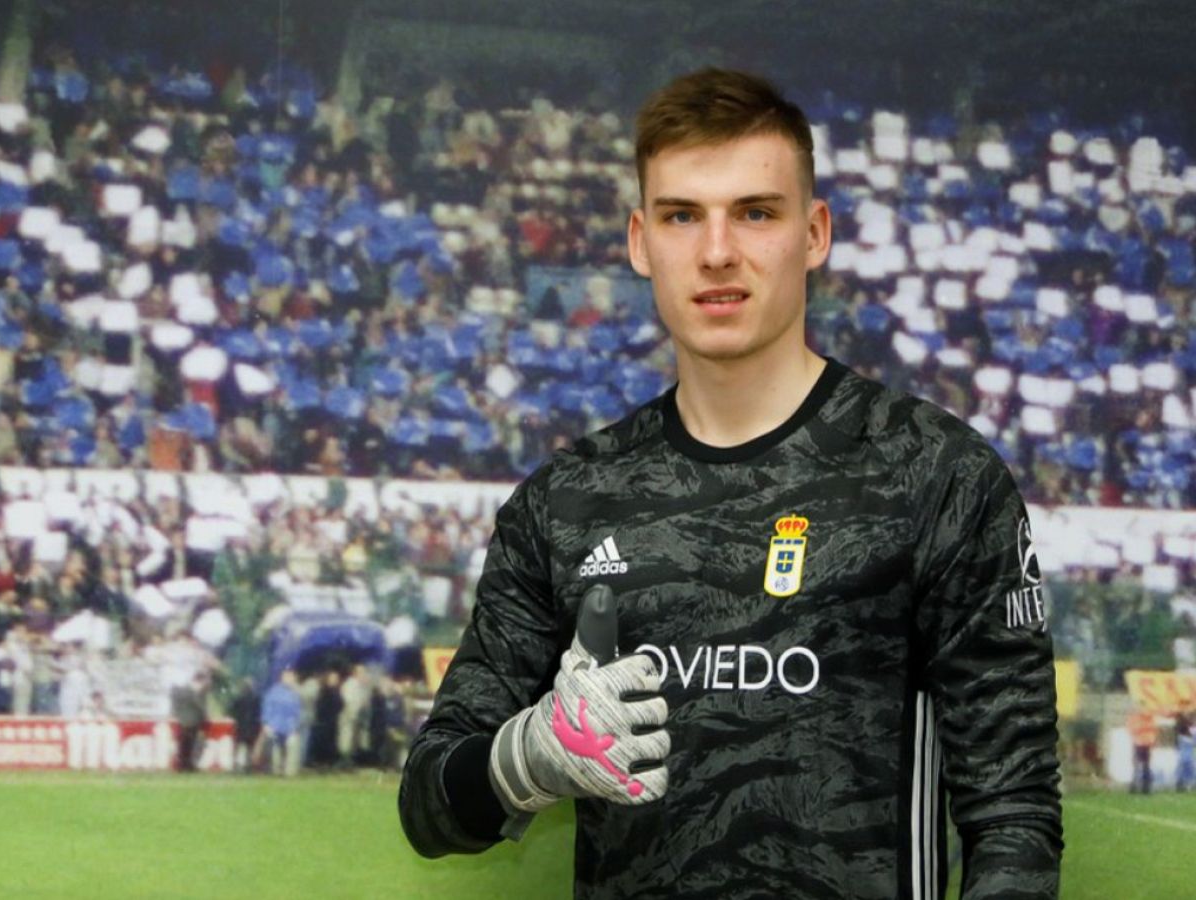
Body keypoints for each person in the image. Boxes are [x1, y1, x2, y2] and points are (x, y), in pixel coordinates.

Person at [398, 68, 1063, 899]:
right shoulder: (565, 500)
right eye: (682, 216)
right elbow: (429, 805)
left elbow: (1016, 819)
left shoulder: (938, 476)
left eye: (756, 212)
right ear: (640, 241)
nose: (717, 251)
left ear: (814, 232)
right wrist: (526, 758)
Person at [261, 670, 304, 776]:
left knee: (291, 747)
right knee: (276, 749)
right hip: (275, 726)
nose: (291, 680)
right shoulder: (274, 692)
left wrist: (296, 725)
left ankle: (290, 772)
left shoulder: (295, 693)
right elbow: (267, 708)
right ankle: (277, 771)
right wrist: (266, 724)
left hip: (290, 727)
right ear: (282, 678)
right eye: (288, 677)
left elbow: (297, 712)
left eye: (292, 678)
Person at [1129, 708, 1158, 794]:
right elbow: (1153, 730)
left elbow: (1133, 729)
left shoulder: (1138, 718)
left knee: (1140, 766)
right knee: (1144, 766)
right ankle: (1143, 787)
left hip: (1140, 743)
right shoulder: (1149, 719)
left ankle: (1138, 787)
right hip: (1144, 743)